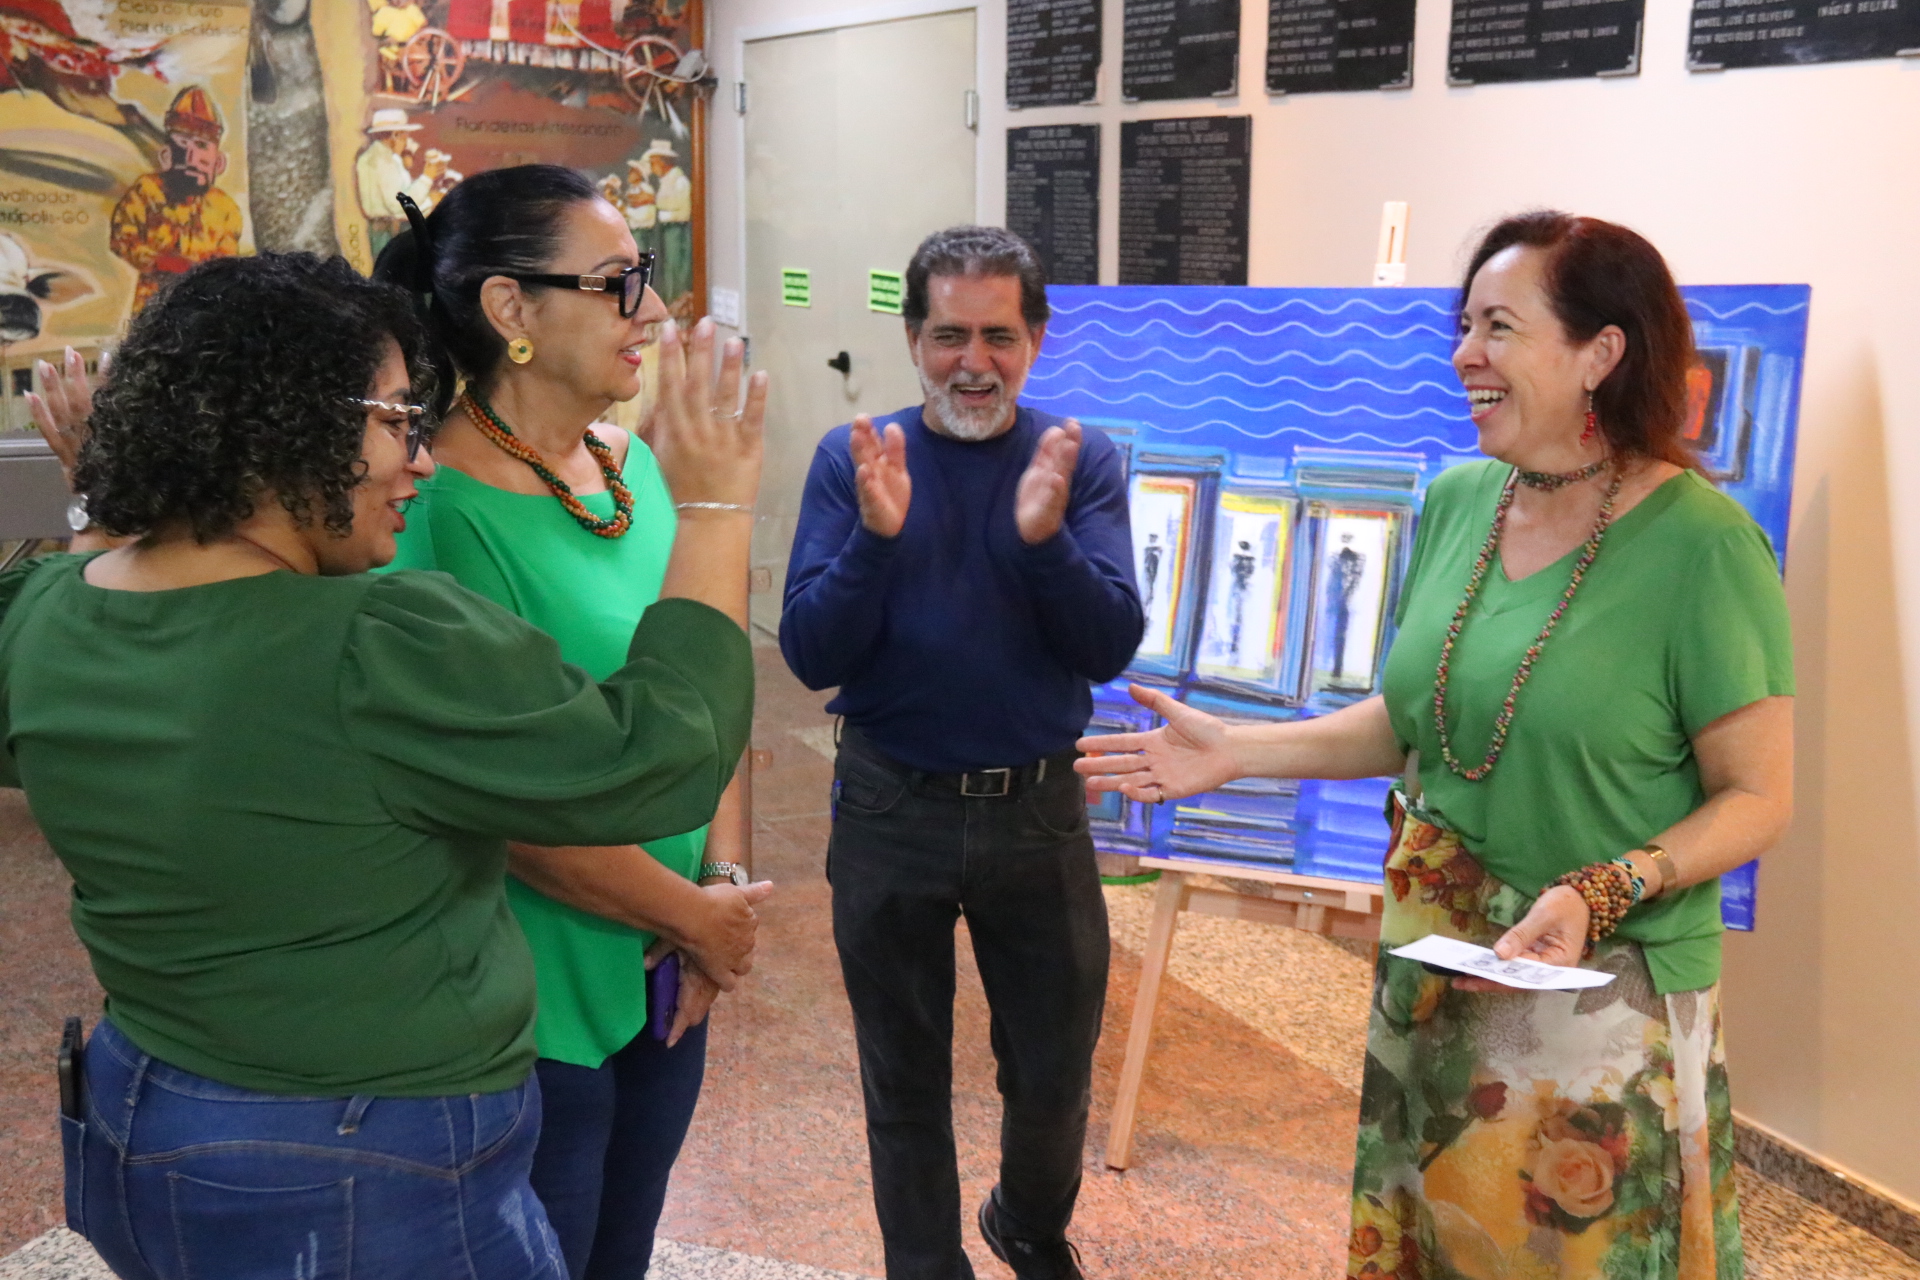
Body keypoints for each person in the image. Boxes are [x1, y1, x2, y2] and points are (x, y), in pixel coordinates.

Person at [0, 250, 767, 1279]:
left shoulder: (46, 611)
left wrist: (104, 507)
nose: (423, 460)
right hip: (360, 1156)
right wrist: (715, 509)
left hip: (141, 1112)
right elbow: (659, 761)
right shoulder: (377, 641)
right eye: (399, 420)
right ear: (289, 427)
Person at [1078, 212, 1794, 1280]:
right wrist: (1237, 746)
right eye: (1464, 325)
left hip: (1601, 985)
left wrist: (1604, 886)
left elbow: (1758, 796)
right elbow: (1416, 721)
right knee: (1442, 1245)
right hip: (1438, 963)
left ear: (1600, 352)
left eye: (1499, 327)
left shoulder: (1705, 546)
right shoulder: (1462, 501)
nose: (1464, 353)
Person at [374, 165, 757, 1280]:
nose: (654, 310)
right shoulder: (431, 508)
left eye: (649, 275)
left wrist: (722, 882)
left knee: (622, 1249)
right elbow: (496, 795)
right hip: (528, 995)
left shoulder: (641, 470)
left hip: (667, 963)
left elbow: (709, 689)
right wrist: (693, 914)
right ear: (511, 308)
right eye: (617, 282)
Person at [781, 225, 1144, 1280]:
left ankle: (1026, 1222)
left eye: (998, 336)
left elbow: (1107, 643)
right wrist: (875, 540)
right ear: (913, 339)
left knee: (1054, 1072)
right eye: (949, 336)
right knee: (902, 1078)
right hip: (891, 809)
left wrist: (1045, 542)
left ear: (1036, 340)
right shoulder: (857, 459)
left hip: (1038, 813)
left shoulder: (1077, 458)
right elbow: (809, 652)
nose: (972, 362)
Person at [107, 86, 243, 314]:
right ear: (166, 155)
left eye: (202, 146)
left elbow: (226, 263)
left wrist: (200, 271)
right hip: (153, 306)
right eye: (182, 143)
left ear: (218, 163)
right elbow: (122, 240)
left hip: (204, 307)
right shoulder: (147, 191)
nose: (191, 156)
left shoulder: (225, 208)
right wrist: (161, 263)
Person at [355, 108, 430, 255]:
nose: (407, 141)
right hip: (390, 230)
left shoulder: (372, 157)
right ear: (395, 135)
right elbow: (398, 205)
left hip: (380, 229)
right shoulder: (384, 161)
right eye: (404, 135)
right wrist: (427, 178)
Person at [642, 139, 692, 304]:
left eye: (653, 163)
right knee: (668, 267)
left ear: (662, 162)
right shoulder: (665, 181)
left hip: (676, 229)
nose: (652, 167)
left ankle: (676, 301)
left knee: (676, 267)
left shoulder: (679, 181)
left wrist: (656, 203)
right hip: (666, 229)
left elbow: (682, 207)